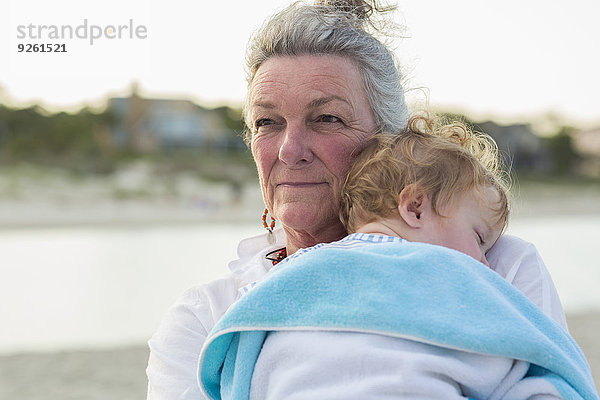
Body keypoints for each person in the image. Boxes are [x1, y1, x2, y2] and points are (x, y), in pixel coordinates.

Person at [146, 1, 567, 398]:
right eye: (267, 122)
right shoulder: (207, 320)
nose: (290, 150)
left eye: (326, 118)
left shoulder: (497, 266)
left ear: (388, 138)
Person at [197, 117, 597, 400]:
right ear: (416, 208)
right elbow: (528, 354)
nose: (486, 262)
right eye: (479, 238)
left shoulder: (292, 275)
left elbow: (241, 351)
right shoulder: (454, 275)